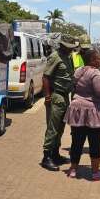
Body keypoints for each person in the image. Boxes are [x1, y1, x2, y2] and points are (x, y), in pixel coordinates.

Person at [65, 49, 100, 180]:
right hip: (93, 112)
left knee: (76, 141)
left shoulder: (78, 70)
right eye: (98, 58)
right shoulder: (95, 73)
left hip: (77, 110)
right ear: (92, 60)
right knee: (95, 142)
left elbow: (74, 86)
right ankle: (95, 173)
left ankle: (73, 170)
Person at [41, 35, 79, 171]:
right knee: (53, 128)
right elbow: (45, 77)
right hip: (56, 96)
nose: (70, 50)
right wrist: (47, 97)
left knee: (61, 128)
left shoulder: (68, 57)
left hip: (65, 97)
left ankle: (55, 154)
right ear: (62, 46)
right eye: (68, 47)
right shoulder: (55, 56)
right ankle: (46, 157)